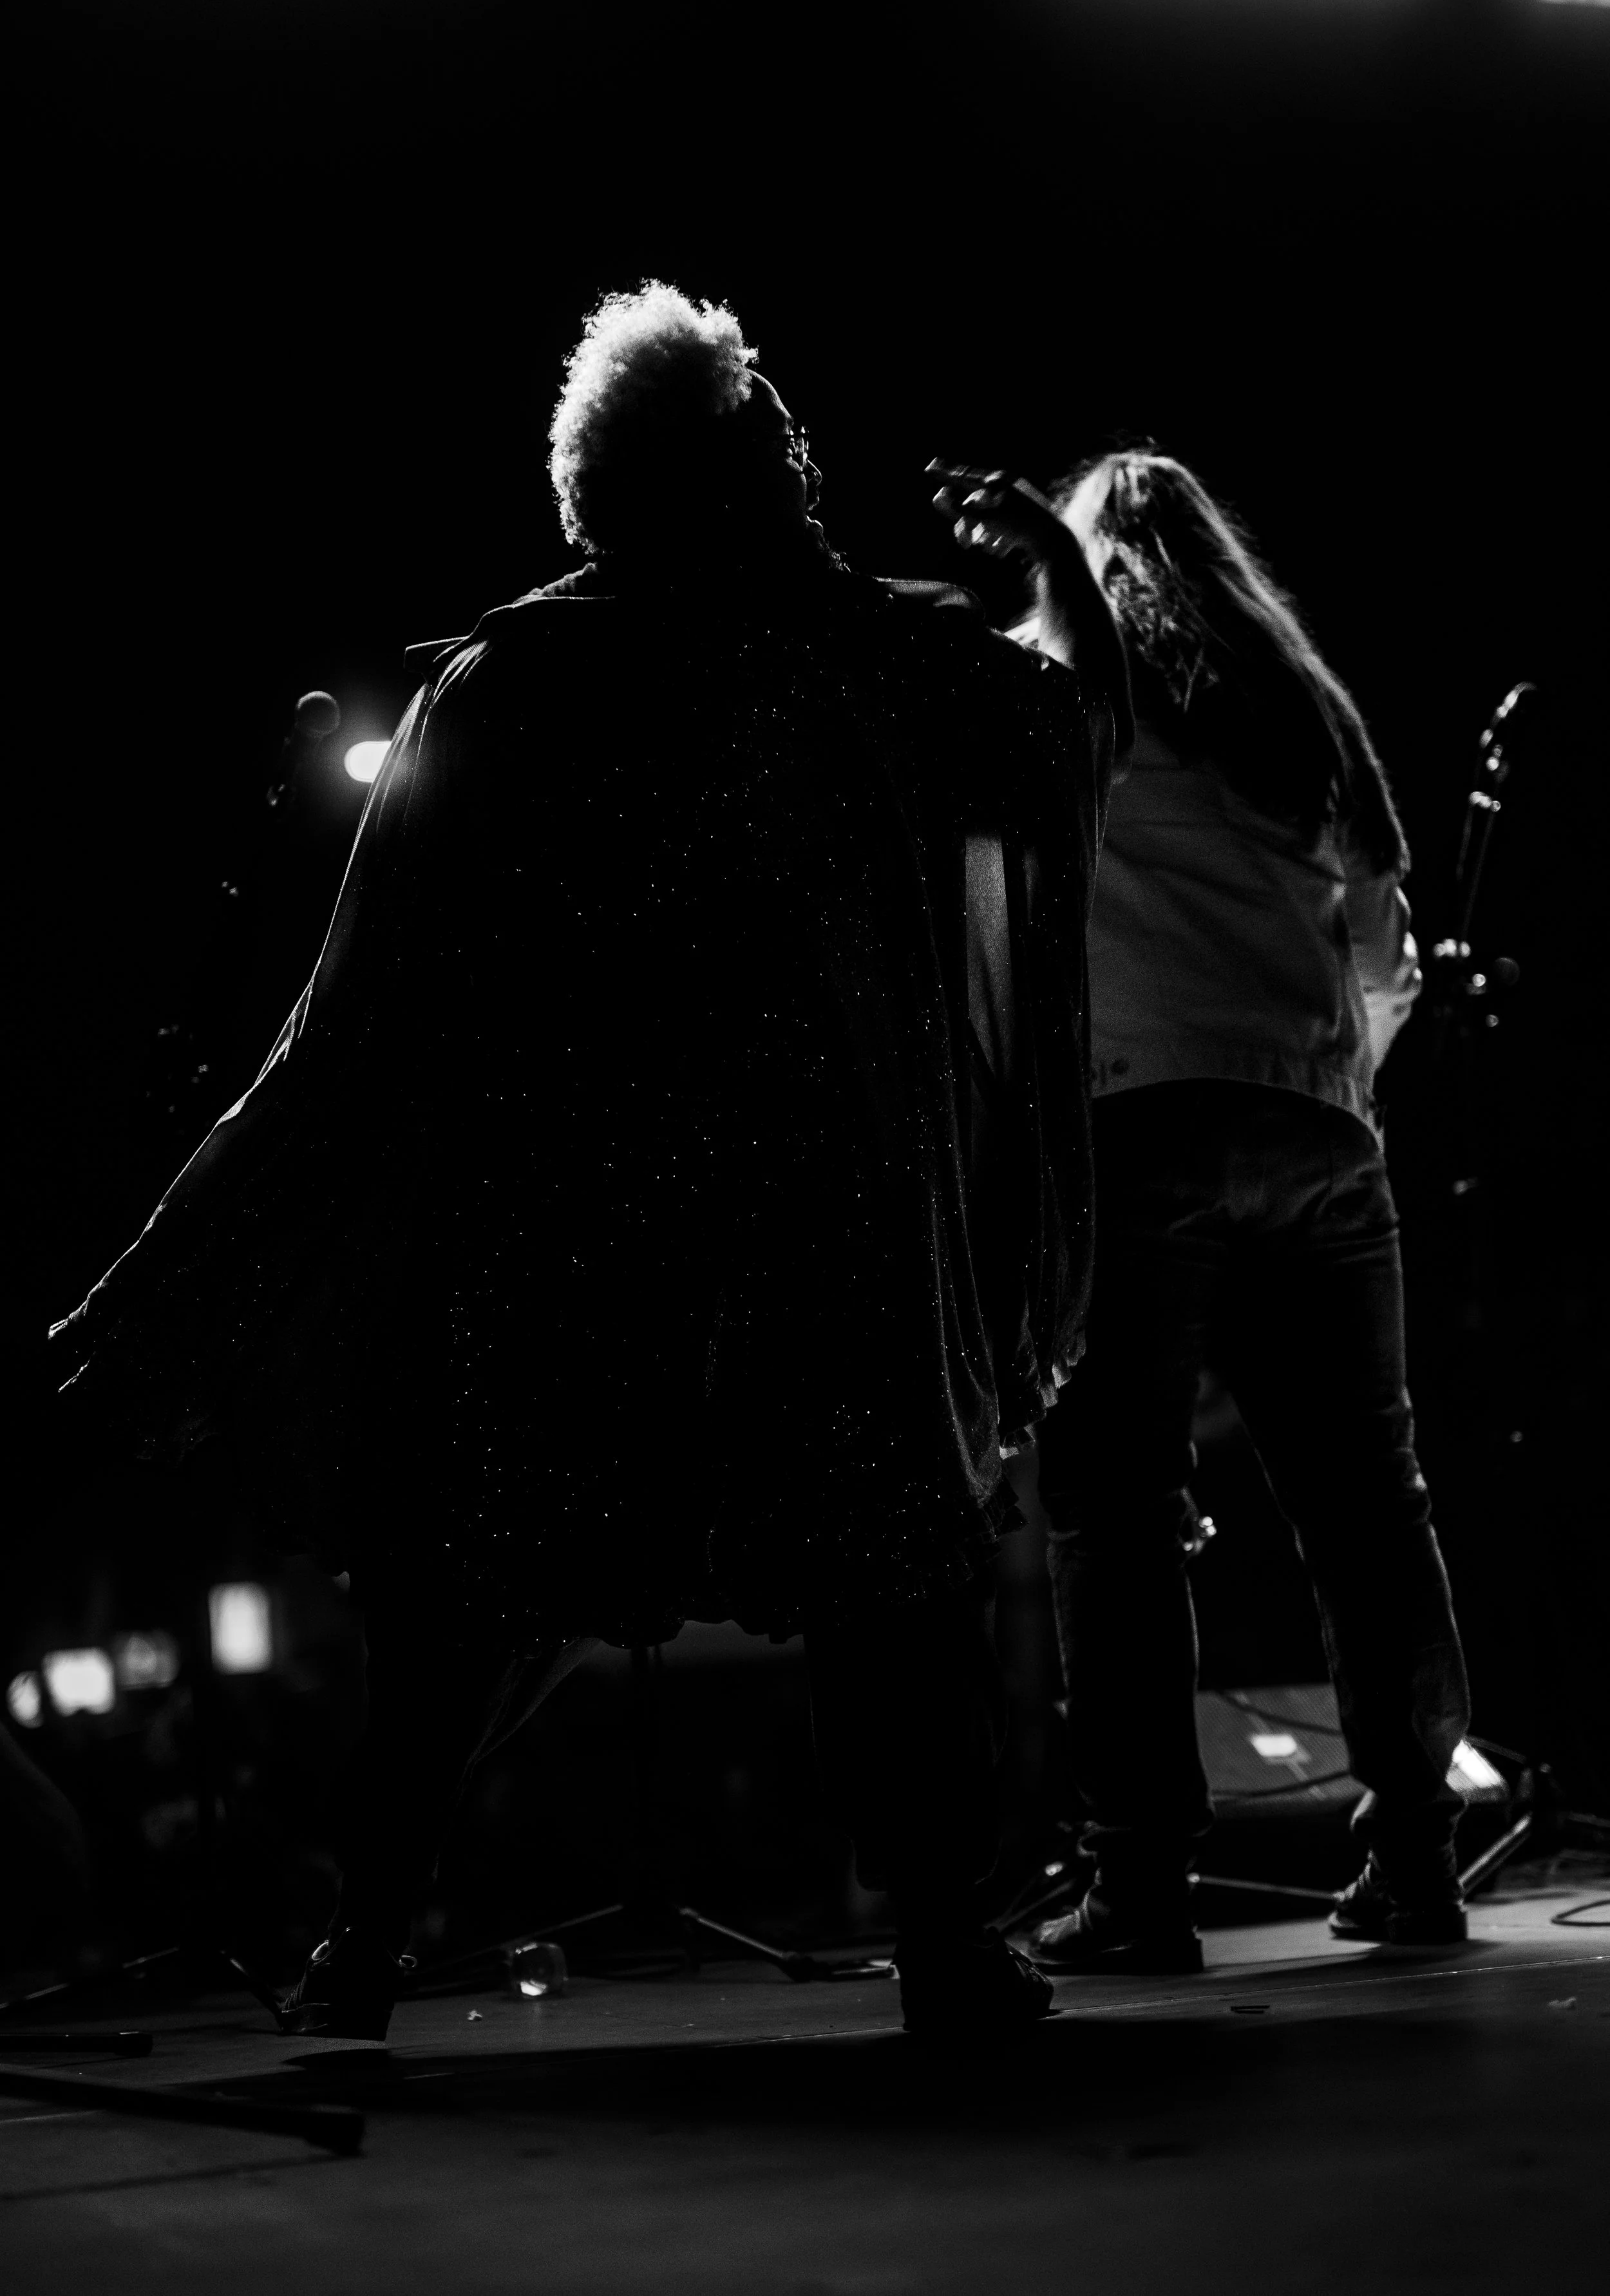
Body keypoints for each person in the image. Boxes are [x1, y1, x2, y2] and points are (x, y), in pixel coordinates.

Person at [51, 285, 1127, 2037]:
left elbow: (367, 1007)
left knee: (492, 1582)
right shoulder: (848, 649)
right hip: (795, 1226)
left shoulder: (519, 678)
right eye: (770, 417)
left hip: (573, 1233)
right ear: (722, 467)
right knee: (877, 1573)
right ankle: (943, 1936)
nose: (802, 442)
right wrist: (1059, 583)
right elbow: (1073, 735)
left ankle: (365, 1946)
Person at [1007, 450, 1470, 1975]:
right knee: (1367, 1508)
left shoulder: (1060, 690)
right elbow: (1384, 956)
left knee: (1118, 1513)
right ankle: (1413, 1861)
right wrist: (1323, 1078)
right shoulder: (1306, 713)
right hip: (1321, 1131)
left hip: (1137, 1124)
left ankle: (1140, 1888)